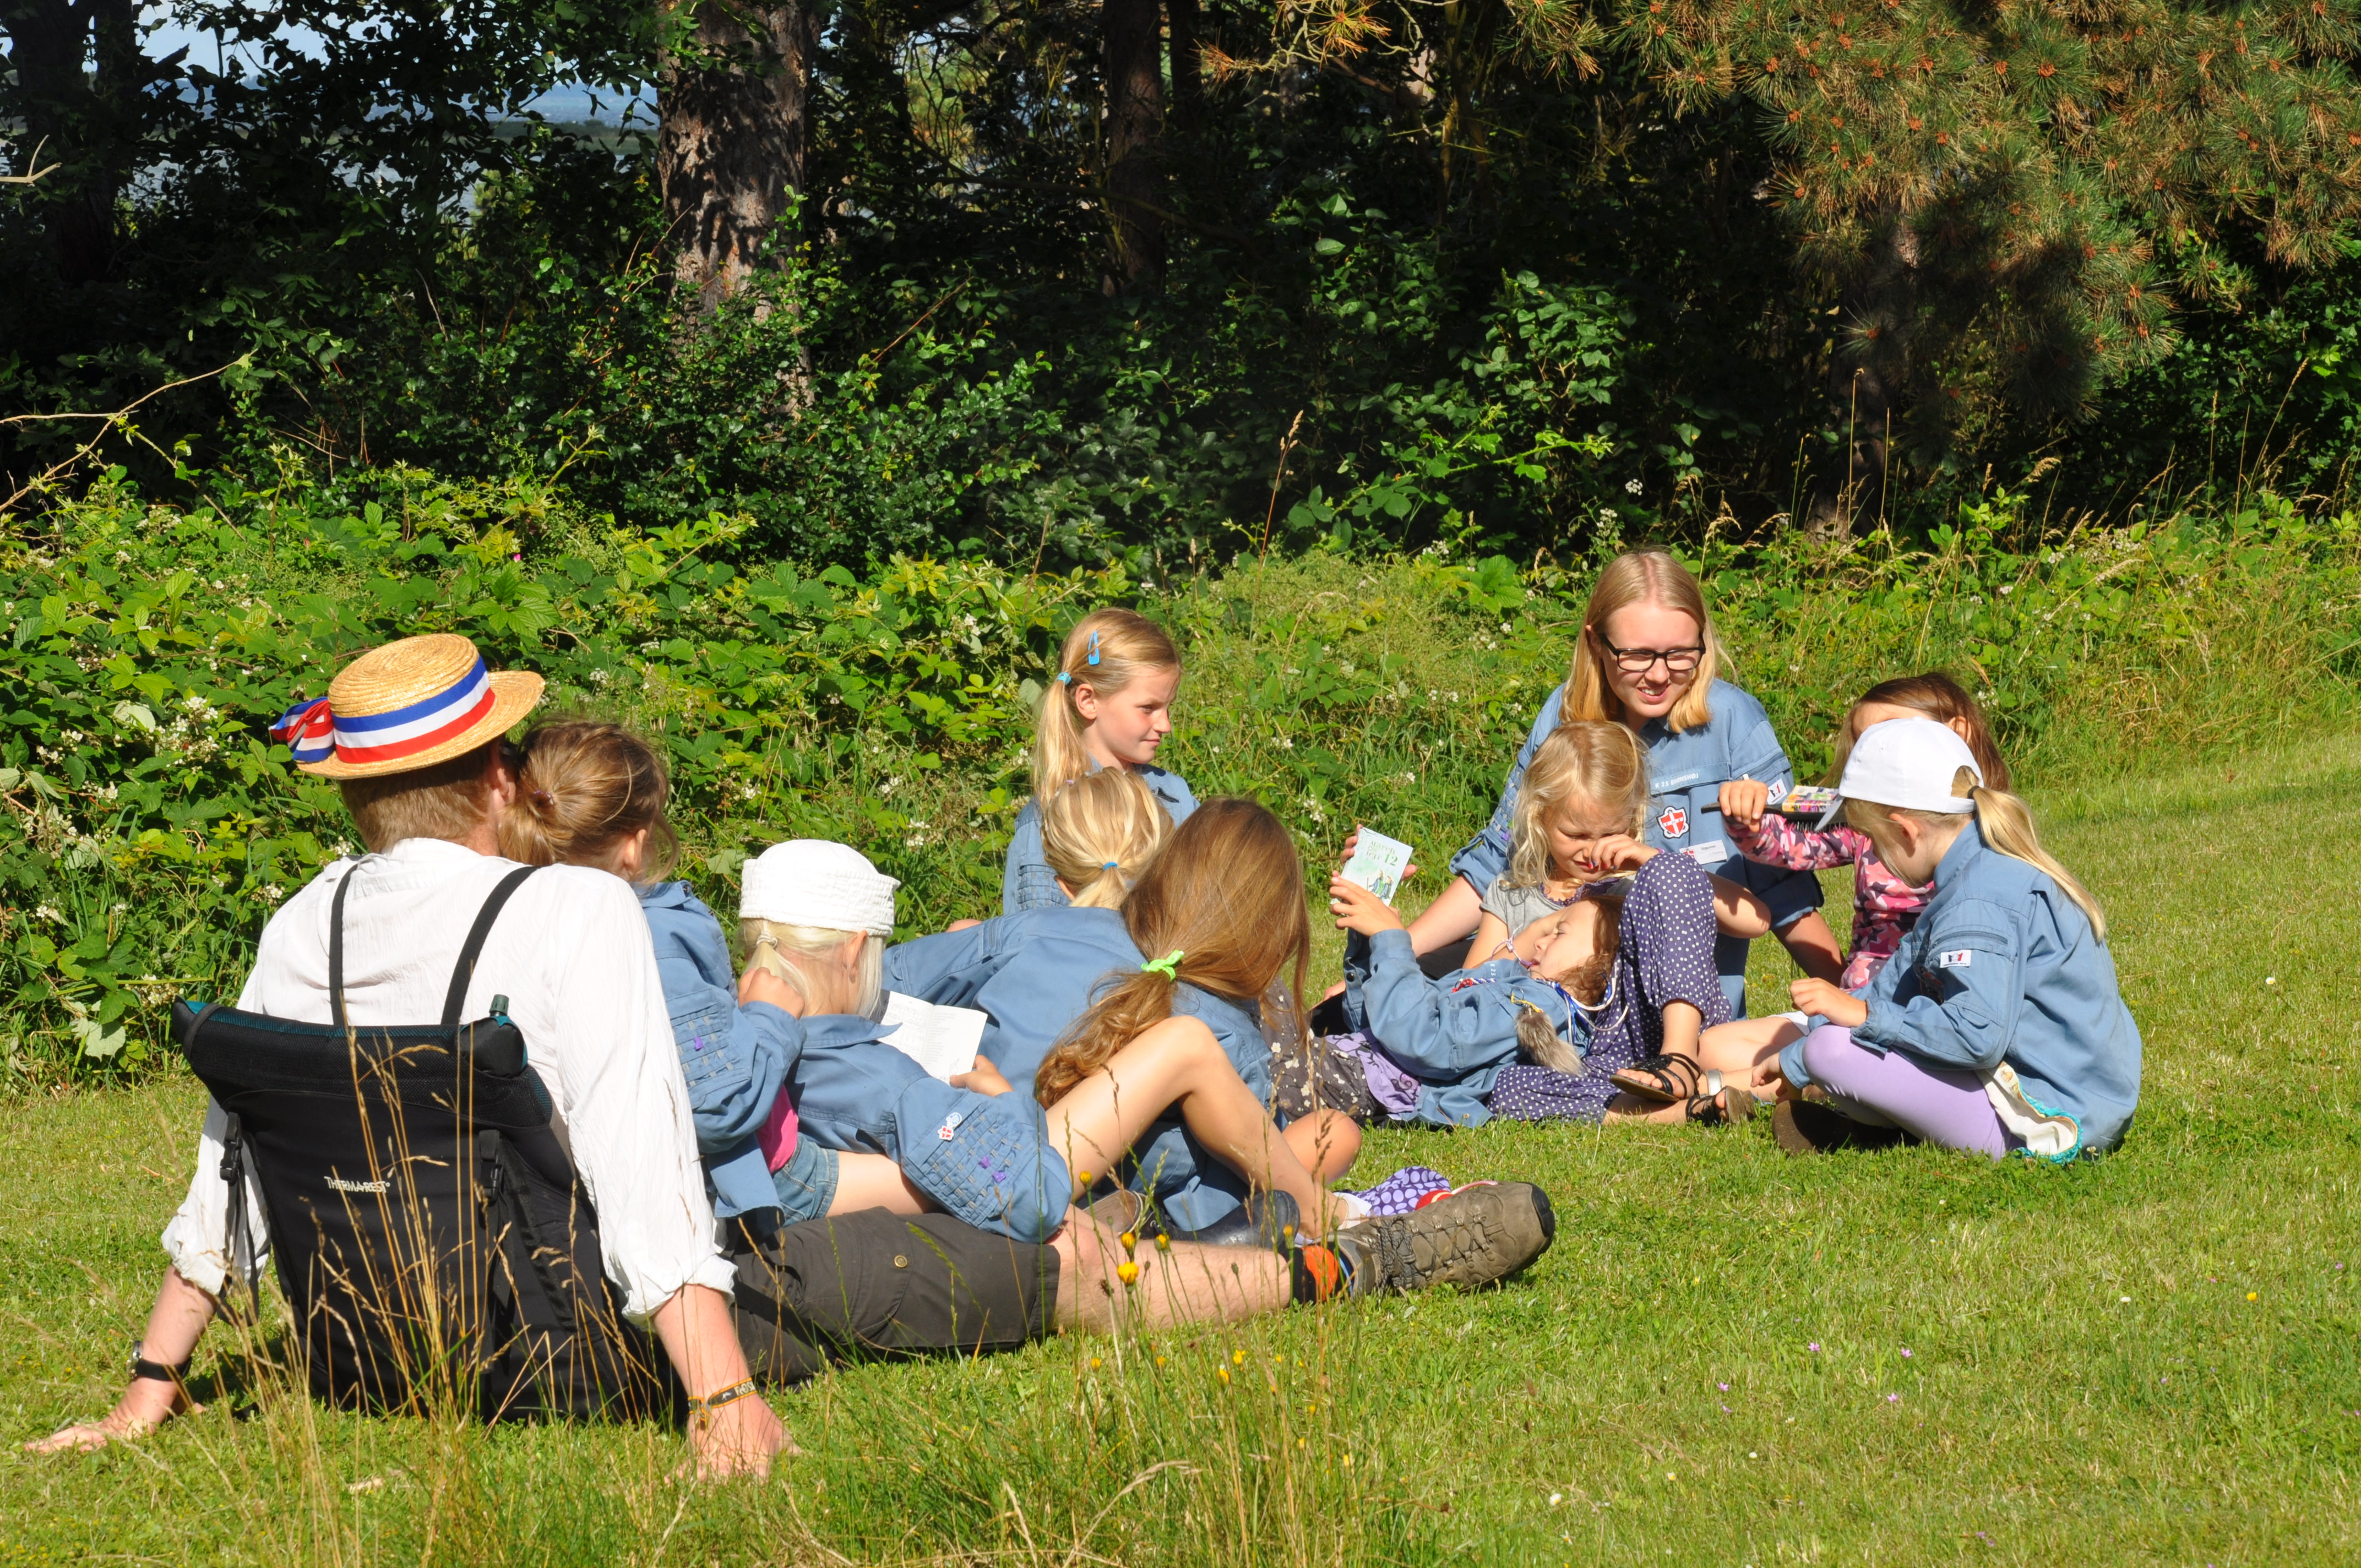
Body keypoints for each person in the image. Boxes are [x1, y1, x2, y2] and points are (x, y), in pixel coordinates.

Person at [25, 634, 785, 1474]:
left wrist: (145, 1393)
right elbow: (639, 1160)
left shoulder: (304, 921)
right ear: (500, 776)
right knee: (882, 1262)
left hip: (368, 1363)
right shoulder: (582, 906)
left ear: (357, 799)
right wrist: (724, 1400)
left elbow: (227, 1173)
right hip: (565, 1356)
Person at [754, 824, 1367, 1242]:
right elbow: (1214, 1208)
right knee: (1321, 1136)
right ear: (1273, 933)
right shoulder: (1232, 1037)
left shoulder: (1048, 925)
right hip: (1016, 1153)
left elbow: (899, 973)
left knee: (1321, 1135)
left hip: (956, 1127)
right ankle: (1325, 1213)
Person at [499, 721, 933, 1226]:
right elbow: (721, 1107)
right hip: (727, 1185)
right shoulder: (657, 939)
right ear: (635, 848)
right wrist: (767, 1018)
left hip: (568, 1179)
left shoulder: (513, 909)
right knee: (938, 1190)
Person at [1391, 548, 1826, 1015]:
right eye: (1637, 655)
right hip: (1543, 977)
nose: (1659, 675)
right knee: (1385, 1007)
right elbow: (1500, 860)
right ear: (1596, 644)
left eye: (1681, 654)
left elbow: (1784, 889)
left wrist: (1858, 1003)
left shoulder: (1735, 724)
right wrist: (1397, 960)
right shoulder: (1560, 716)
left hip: (1670, 1008)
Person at [1321, 721, 1757, 1128]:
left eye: (1609, 833)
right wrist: (1525, 941)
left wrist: (1650, 860)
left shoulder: (1635, 886)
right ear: (1542, 819)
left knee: (1673, 873)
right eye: (1576, 835)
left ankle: (1680, 1060)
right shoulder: (1513, 893)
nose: (1592, 851)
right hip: (1580, 1061)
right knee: (1507, 1089)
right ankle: (1692, 1105)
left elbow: (1754, 919)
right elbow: (1468, 988)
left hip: (1656, 1029)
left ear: (1632, 819)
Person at [1756, 718, 2142, 1159]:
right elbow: (1895, 986)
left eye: (1872, 841)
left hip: (2054, 1115)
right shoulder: (1972, 876)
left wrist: (1856, 1021)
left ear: (1905, 831)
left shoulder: (1976, 902)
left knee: (1831, 1053)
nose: (1874, 856)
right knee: (1826, 1050)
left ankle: (1908, 1131)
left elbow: (1977, 1035)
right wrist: (1794, 1057)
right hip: (2071, 1094)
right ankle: (1887, 1125)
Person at [1664, 673, 2012, 1099]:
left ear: (1957, 734)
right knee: (1714, 1045)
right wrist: (1748, 817)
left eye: (1890, 739)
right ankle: (1809, 1082)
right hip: (1852, 1008)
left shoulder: (1988, 836)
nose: (1874, 756)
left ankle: (1723, 1092)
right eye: (1864, 744)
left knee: (1833, 1053)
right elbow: (1790, 846)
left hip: (1928, 1019)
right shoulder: (1866, 817)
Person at [1004, 608, 1195, 913]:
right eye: (1148, 708)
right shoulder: (1048, 821)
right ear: (1088, 701)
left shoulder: (1175, 797)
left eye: (1168, 708)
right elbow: (1039, 941)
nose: (1166, 725)